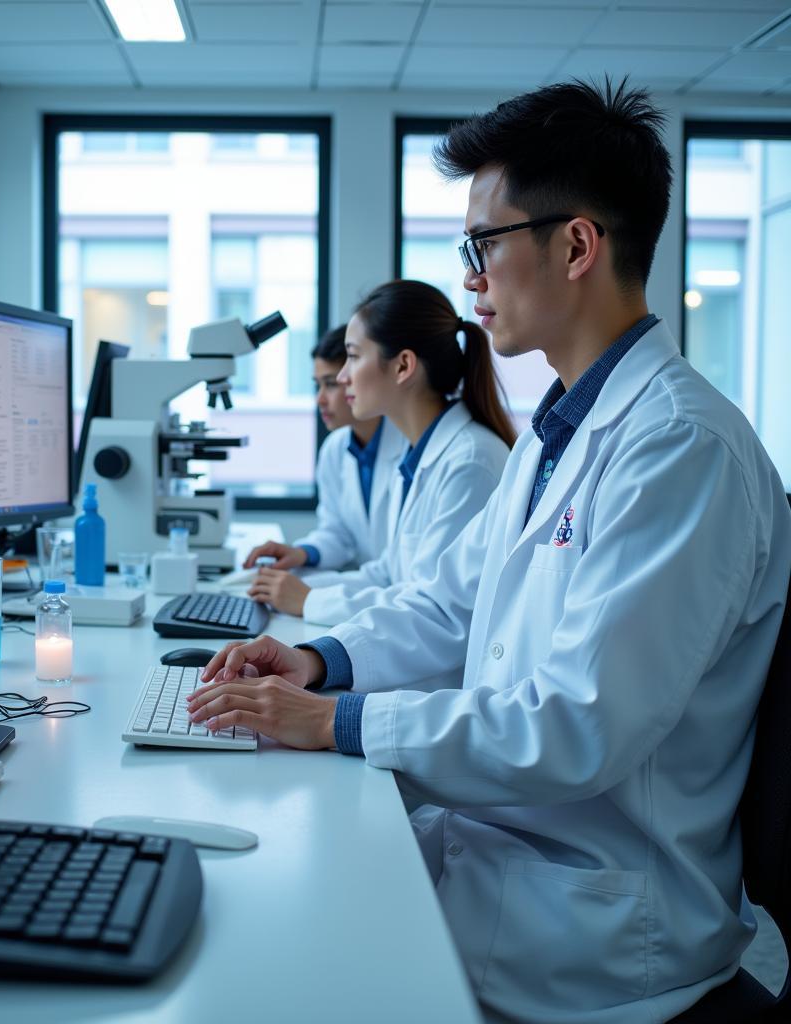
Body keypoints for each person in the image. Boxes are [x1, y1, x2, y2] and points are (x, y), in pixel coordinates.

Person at [188, 78, 791, 1024]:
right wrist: (316, 662)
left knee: (258, 963)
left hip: (591, 927)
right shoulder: (561, 430)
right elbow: (449, 603)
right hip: (506, 856)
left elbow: (574, 726)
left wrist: (336, 723)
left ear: (577, 245)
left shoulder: (682, 448)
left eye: (483, 245)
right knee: (242, 887)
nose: (469, 278)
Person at [248, 280, 513, 626]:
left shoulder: (470, 461)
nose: (343, 377)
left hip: (437, 673)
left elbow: (434, 610)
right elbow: (389, 573)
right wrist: (294, 589)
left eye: (353, 357)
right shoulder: (424, 454)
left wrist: (310, 600)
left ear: (403, 367)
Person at [242, 324, 406, 575]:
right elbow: (337, 533)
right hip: (371, 588)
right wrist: (302, 553)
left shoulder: (409, 446)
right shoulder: (335, 449)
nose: (320, 400)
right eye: (318, 385)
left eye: (330, 384)